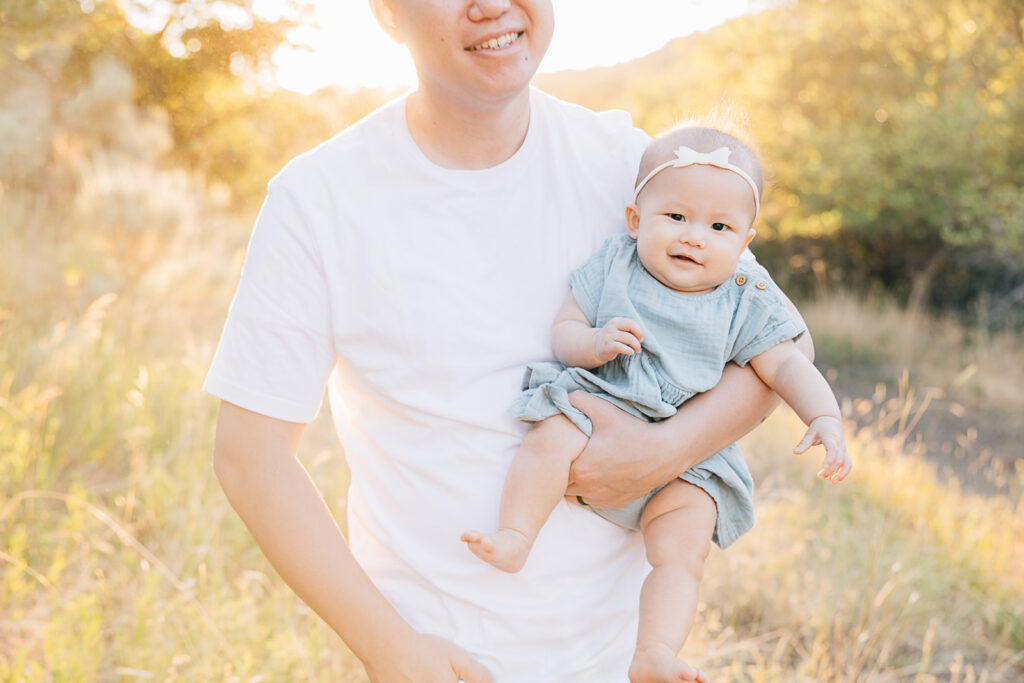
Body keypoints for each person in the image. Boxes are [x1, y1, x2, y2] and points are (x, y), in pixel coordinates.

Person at [204, 1, 815, 680]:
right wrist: (390, 649)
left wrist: (663, 450)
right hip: (444, 657)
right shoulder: (317, 199)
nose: (492, 5)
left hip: (617, 659)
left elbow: (782, 346)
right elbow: (250, 455)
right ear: (386, 13)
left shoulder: (627, 164)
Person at [461, 125, 852, 682]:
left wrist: (824, 416)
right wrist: (592, 344)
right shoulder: (615, 264)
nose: (696, 236)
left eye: (719, 227)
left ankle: (655, 653)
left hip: (691, 453)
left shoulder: (746, 297)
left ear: (745, 242)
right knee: (551, 433)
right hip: (606, 400)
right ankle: (518, 534)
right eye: (677, 218)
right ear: (635, 220)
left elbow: (787, 363)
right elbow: (565, 328)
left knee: (685, 546)